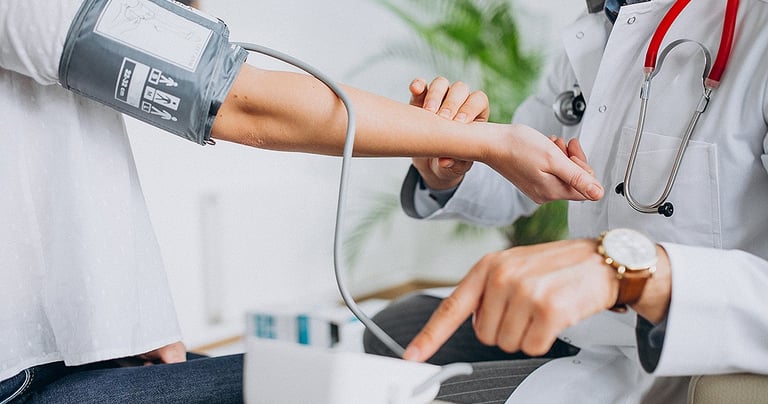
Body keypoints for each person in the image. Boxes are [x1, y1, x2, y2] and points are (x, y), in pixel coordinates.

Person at [0, 0, 604, 402]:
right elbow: (243, 103)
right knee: (347, 377)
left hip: (58, 351)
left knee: (366, 377)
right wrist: (478, 143)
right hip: (22, 375)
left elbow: (46, 166)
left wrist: (123, 318)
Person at [365, 0, 768, 403]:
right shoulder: (604, 22)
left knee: (411, 395)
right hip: (588, 323)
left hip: (680, 343)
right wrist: (451, 166)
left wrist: (635, 273)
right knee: (390, 331)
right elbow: (516, 180)